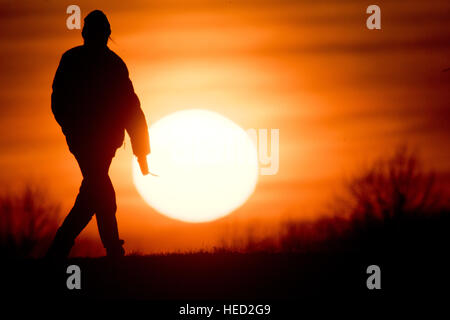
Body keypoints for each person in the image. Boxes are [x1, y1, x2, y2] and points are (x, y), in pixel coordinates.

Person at [46, 10, 150, 259]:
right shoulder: (76, 61)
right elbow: (59, 100)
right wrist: (71, 128)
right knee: (99, 189)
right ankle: (110, 249)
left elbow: (130, 108)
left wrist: (141, 152)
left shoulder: (112, 65)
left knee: (95, 190)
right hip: (83, 140)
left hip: (103, 143)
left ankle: (64, 248)